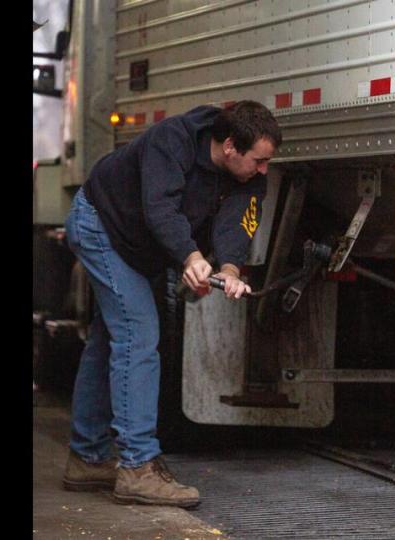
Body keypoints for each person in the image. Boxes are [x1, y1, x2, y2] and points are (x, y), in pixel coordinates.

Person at [60, 100, 281, 508]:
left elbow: (240, 219)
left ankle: (87, 457)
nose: (264, 169)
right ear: (230, 146)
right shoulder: (172, 140)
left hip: (141, 246)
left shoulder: (248, 173)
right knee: (139, 333)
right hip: (102, 225)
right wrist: (191, 258)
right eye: (259, 160)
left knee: (112, 338)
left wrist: (229, 270)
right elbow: (160, 208)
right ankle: (137, 467)